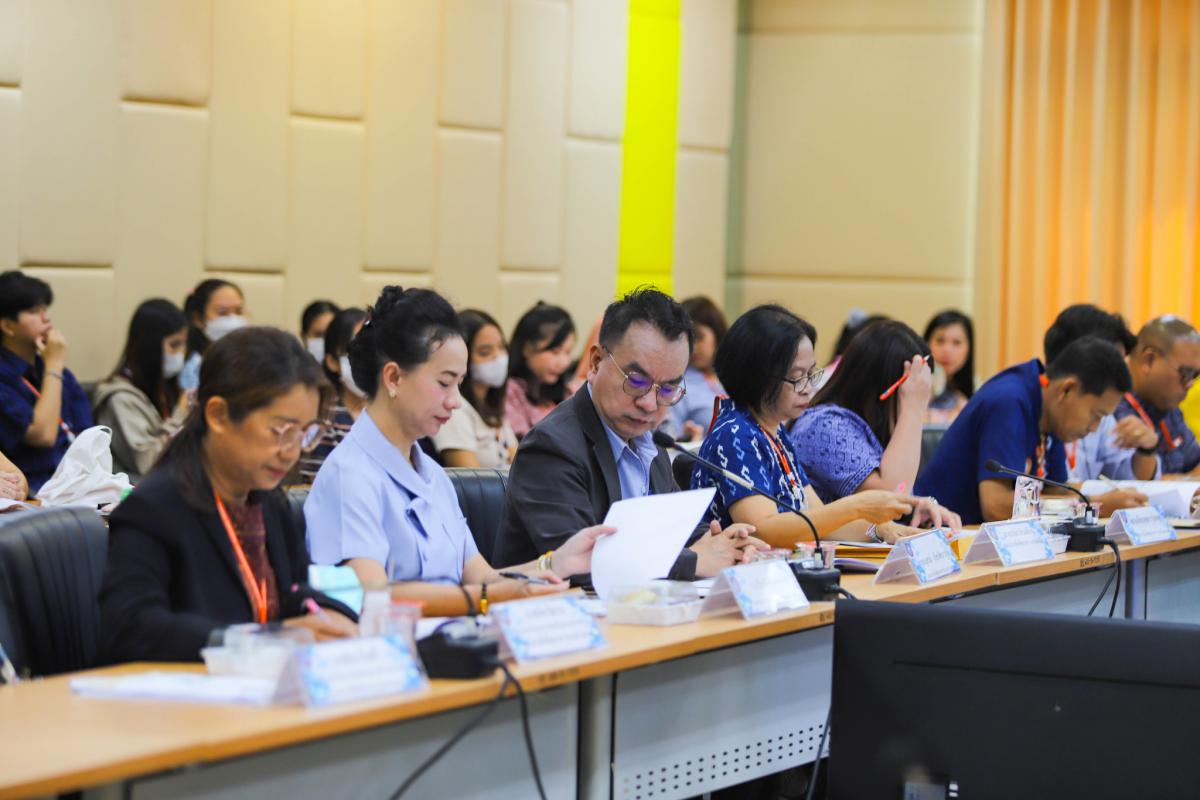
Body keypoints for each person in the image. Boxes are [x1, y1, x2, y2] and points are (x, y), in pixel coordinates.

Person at [304, 287, 614, 616]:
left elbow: (483, 577)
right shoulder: (349, 475)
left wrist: (557, 562)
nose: (455, 401)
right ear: (393, 378)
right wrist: (488, 598)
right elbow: (372, 596)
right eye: (444, 382)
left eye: (459, 384)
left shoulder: (433, 476)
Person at [98, 328, 357, 663]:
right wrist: (253, 640)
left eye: (304, 433)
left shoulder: (268, 501)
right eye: (281, 431)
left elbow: (294, 591)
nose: (291, 452)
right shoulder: (154, 510)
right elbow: (131, 627)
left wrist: (331, 615)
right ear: (218, 415)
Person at [494, 289, 767, 579]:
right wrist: (694, 561)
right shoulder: (552, 447)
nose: (649, 404)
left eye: (668, 389)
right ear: (596, 362)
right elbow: (582, 565)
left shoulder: (649, 441)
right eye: (636, 381)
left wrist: (726, 543)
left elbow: (677, 530)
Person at [693, 306, 942, 546]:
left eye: (811, 374)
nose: (808, 388)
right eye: (797, 377)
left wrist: (882, 530)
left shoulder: (775, 433)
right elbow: (764, 530)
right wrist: (856, 506)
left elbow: (818, 520)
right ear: (757, 377)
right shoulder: (735, 435)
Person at [915, 336, 1131, 525]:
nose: (1094, 428)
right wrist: (1092, 505)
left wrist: (1101, 499)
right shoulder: (1009, 400)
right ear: (1067, 390)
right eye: (1095, 415)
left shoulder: (1051, 410)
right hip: (938, 536)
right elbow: (996, 507)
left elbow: (1055, 490)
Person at [790, 320, 962, 530]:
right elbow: (889, 499)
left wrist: (917, 506)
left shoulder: (870, 424)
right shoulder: (825, 425)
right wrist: (913, 408)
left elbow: (899, 496)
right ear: (888, 387)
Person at [1042, 305, 1153, 515]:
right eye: (1110, 360)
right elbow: (1010, 503)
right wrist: (1095, 504)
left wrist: (1146, 449)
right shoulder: (1032, 404)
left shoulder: (1102, 412)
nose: (1117, 373)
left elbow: (1124, 482)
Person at [0, 271, 93, 495]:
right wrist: (54, 365)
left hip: (83, 481)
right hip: (38, 489)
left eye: (45, 309)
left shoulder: (54, 369)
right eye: (34, 311)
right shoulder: (7, 376)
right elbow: (43, 435)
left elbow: (88, 433)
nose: (46, 318)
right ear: (8, 326)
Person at [92, 299, 191, 481]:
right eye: (174, 345)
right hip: (137, 488)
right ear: (149, 346)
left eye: (183, 344)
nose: (181, 353)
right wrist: (181, 414)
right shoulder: (120, 398)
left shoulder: (163, 386)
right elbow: (149, 462)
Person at [1115, 316, 1200, 477]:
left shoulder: (1169, 409)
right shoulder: (1109, 408)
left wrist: (1177, 480)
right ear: (1149, 360)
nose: (1190, 384)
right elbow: (1132, 486)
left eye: (1195, 375)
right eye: (1185, 373)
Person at [434, 309, 518, 468]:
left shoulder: (493, 407)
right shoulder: (454, 408)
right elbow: (470, 479)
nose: (498, 357)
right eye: (485, 352)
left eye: (502, 347)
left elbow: (521, 466)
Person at [297, 307, 368, 483]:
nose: (369, 360)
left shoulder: (391, 410)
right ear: (332, 362)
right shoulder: (321, 414)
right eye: (355, 351)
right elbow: (315, 484)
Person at [505, 302, 579, 438]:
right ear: (526, 348)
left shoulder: (569, 391)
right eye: (555, 352)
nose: (563, 362)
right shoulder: (510, 393)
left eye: (568, 352)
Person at [668, 296, 727, 441]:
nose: (693, 347)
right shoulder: (677, 383)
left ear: (717, 333)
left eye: (699, 337)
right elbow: (670, 439)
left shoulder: (732, 376)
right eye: (686, 339)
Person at [180, 279, 246, 391]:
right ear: (198, 319)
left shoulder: (247, 358)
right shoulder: (195, 367)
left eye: (238, 311)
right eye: (222, 312)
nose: (233, 319)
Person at [923, 310, 974, 424]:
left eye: (957, 342)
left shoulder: (977, 393)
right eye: (940, 341)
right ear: (926, 343)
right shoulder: (911, 385)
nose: (947, 350)